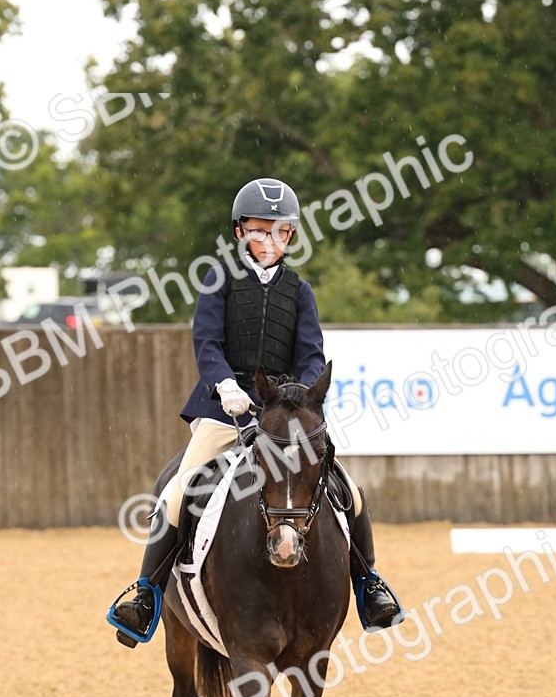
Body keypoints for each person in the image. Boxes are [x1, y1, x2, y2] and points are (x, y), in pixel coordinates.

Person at [111, 176, 404, 646]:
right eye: (260, 231)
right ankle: (145, 593)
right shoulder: (219, 280)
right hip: (224, 409)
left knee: (351, 492)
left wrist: (301, 395)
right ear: (239, 232)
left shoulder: (300, 291)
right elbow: (207, 343)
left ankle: (370, 584)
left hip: (282, 415)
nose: (270, 241)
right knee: (176, 494)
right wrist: (225, 385)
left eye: (281, 231)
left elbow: (311, 354)